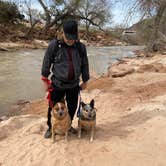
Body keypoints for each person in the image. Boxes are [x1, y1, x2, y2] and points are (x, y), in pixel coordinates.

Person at [41, 20, 90, 138]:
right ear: (63, 33)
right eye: (68, 38)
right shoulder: (54, 45)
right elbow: (46, 62)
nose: (70, 40)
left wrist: (85, 80)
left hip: (74, 85)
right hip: (57, 83)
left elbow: (85, 64)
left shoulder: (80, 47)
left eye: (73, 38)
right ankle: (50, 127)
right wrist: (45, 80)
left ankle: (68, 125)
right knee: (53, 106)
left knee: (72, 107)